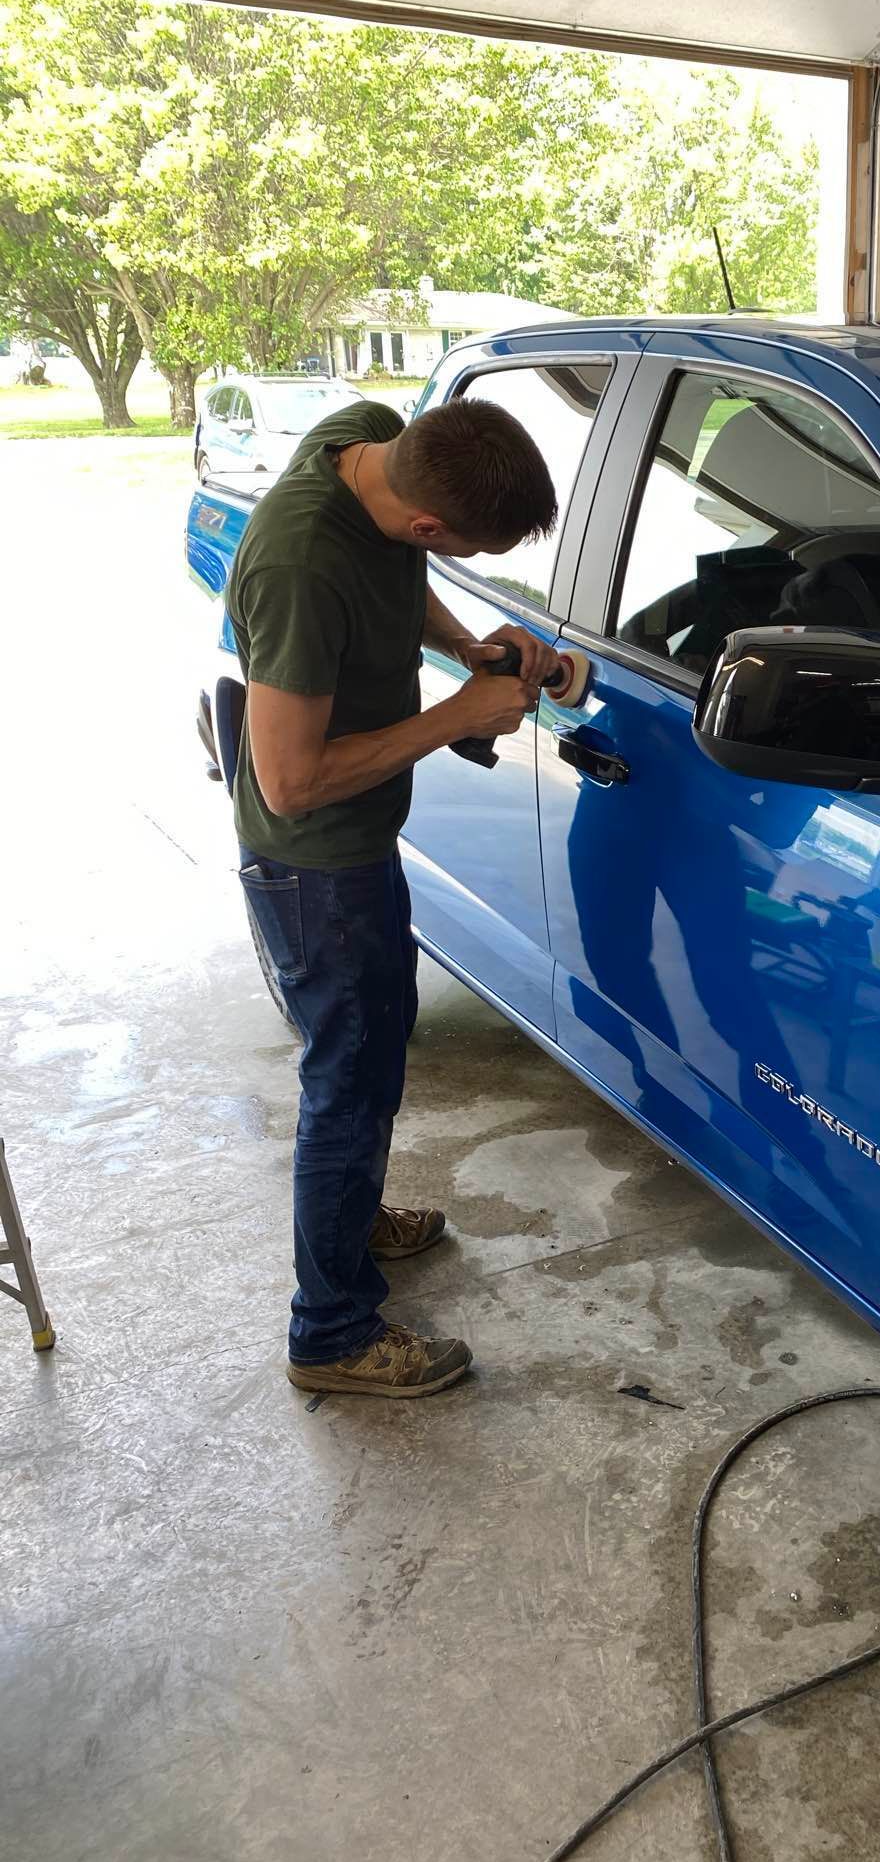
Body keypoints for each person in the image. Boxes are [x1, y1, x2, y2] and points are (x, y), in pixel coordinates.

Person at [229, 394, 558, 1399]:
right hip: (314, 862)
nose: (436, 558)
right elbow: (287, 779)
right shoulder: (299, 564)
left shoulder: (366, 434)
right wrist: (460, 710)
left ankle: (348, 1219)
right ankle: (329, 1330)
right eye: (451, 547)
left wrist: (462, 645)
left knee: (372, 1055)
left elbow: (398, 572)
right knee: (351, 1078)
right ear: (426, 520)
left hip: (352, 851)